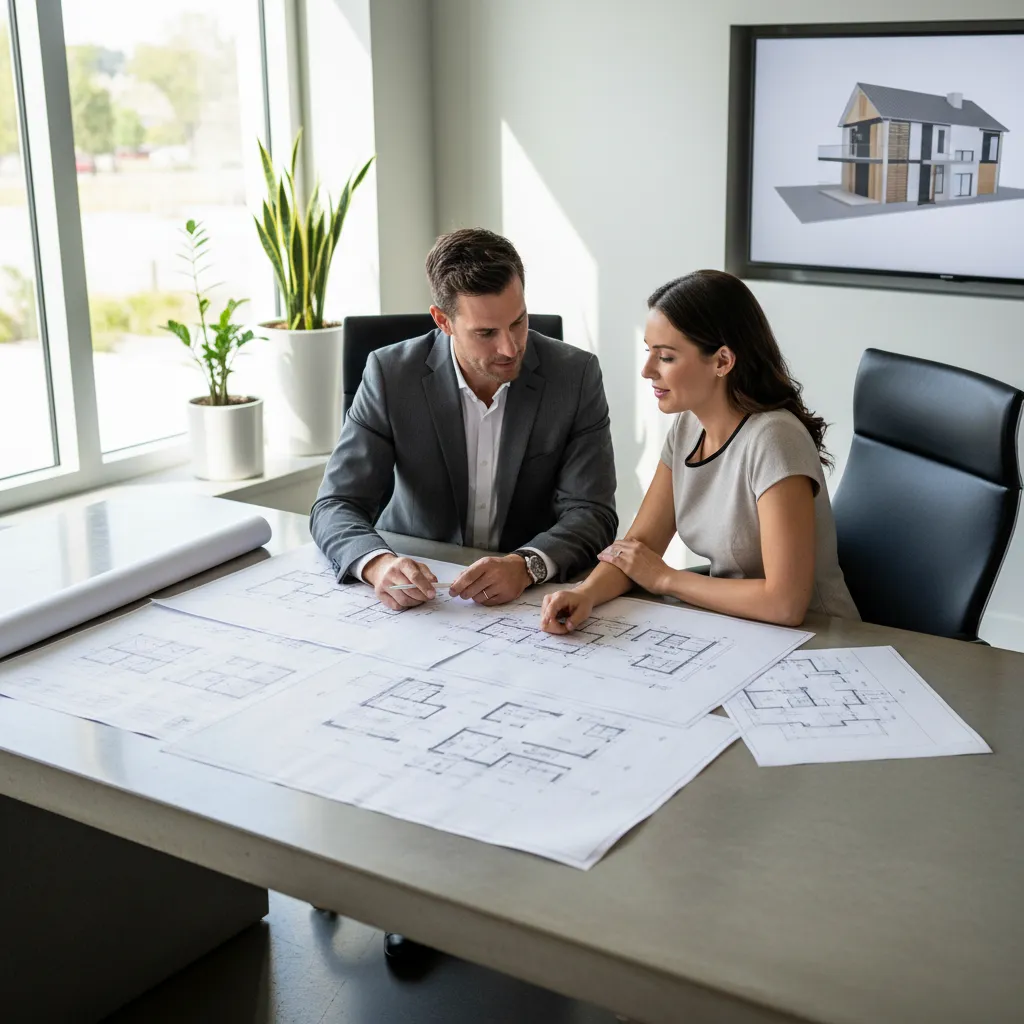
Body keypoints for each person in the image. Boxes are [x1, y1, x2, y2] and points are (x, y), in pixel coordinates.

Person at [310, 227, 618, 965]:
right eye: (488, 331)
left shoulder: (574, 375)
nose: (511, 346)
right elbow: (335, 506)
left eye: (518, 321)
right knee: (407, 752)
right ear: (442, 320)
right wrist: (378, 564)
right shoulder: (390, 375)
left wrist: (532, 563)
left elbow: (594, 512)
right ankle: (411, 899)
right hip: (419, 609)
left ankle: (520, 906)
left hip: (521, 612)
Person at [540, 269, 859, 637]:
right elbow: (639, 547)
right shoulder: (688, 427)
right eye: (649, 352)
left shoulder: (775, 439)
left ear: (722, 361)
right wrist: (586, 593)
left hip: (820, 639)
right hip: (740, 630)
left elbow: (784, 603)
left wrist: (665, 579)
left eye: (666, 357)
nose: (647, 371)